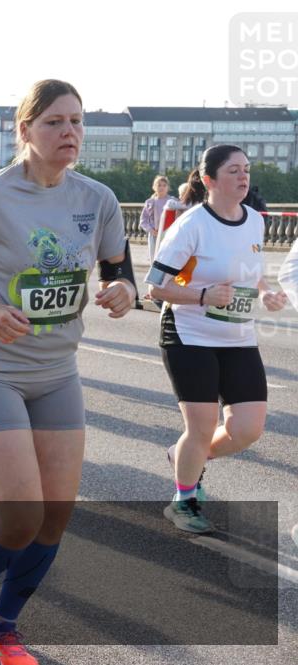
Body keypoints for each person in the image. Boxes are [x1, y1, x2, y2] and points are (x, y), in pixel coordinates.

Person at [0, 79, 135, 665]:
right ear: (24, 131)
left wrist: (121, 289)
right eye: (53, 123)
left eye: (75, 122)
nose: (68, 133)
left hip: (58, 371)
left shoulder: (97, 198)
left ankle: (4, 626)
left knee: (55, 516)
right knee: (21, 513)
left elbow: (120, 270)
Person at [145, 144, 288, 533]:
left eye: (246, 170)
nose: (243, 177)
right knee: (203, 424)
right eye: (233, 171)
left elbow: (248, 270)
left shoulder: (255, 221)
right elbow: (155, 288)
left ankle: (184, 456)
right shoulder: (192, 225)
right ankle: (184, 500)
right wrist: (202, 295)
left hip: (238, 336)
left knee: (248, 428)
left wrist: (264, 291)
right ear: (209, 180)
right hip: (188, 333)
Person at [139, 175, 174, 262]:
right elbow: (143, 220)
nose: (161, 187)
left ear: (168, 187)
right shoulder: (150, 202)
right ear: (154, 187)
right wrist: (151, 230)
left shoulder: (173, 202)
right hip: (155, 234)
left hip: (170, 235)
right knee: (155, 259)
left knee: (168, 259)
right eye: (159, 185)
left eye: (164, 185)